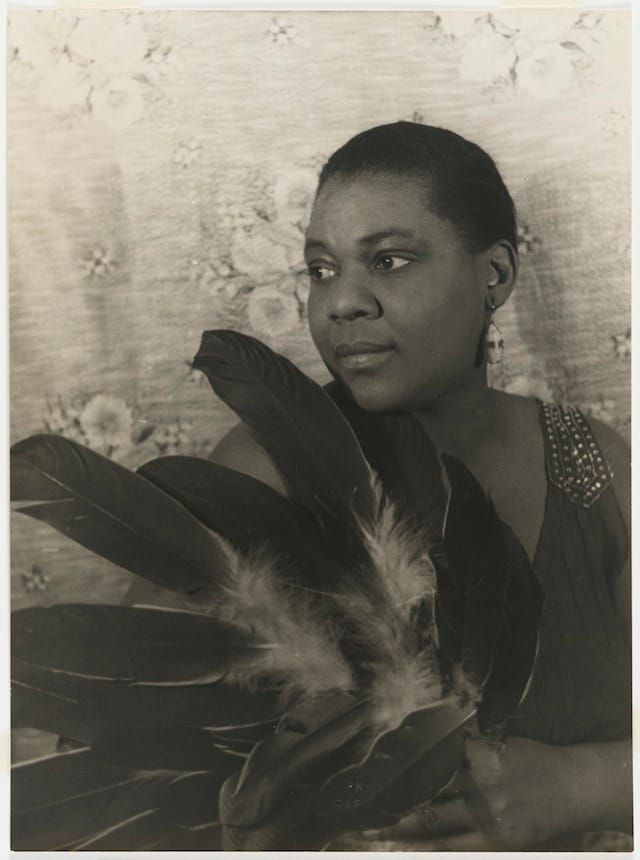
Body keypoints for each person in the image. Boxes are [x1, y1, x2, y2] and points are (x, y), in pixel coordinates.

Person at [123, 121, 631, 849]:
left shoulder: (595, 468)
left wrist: (579, 787)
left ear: (495, 276)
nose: (341, 304)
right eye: (322, 270)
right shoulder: (264, 469)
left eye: (388, 260)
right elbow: (123, 728)